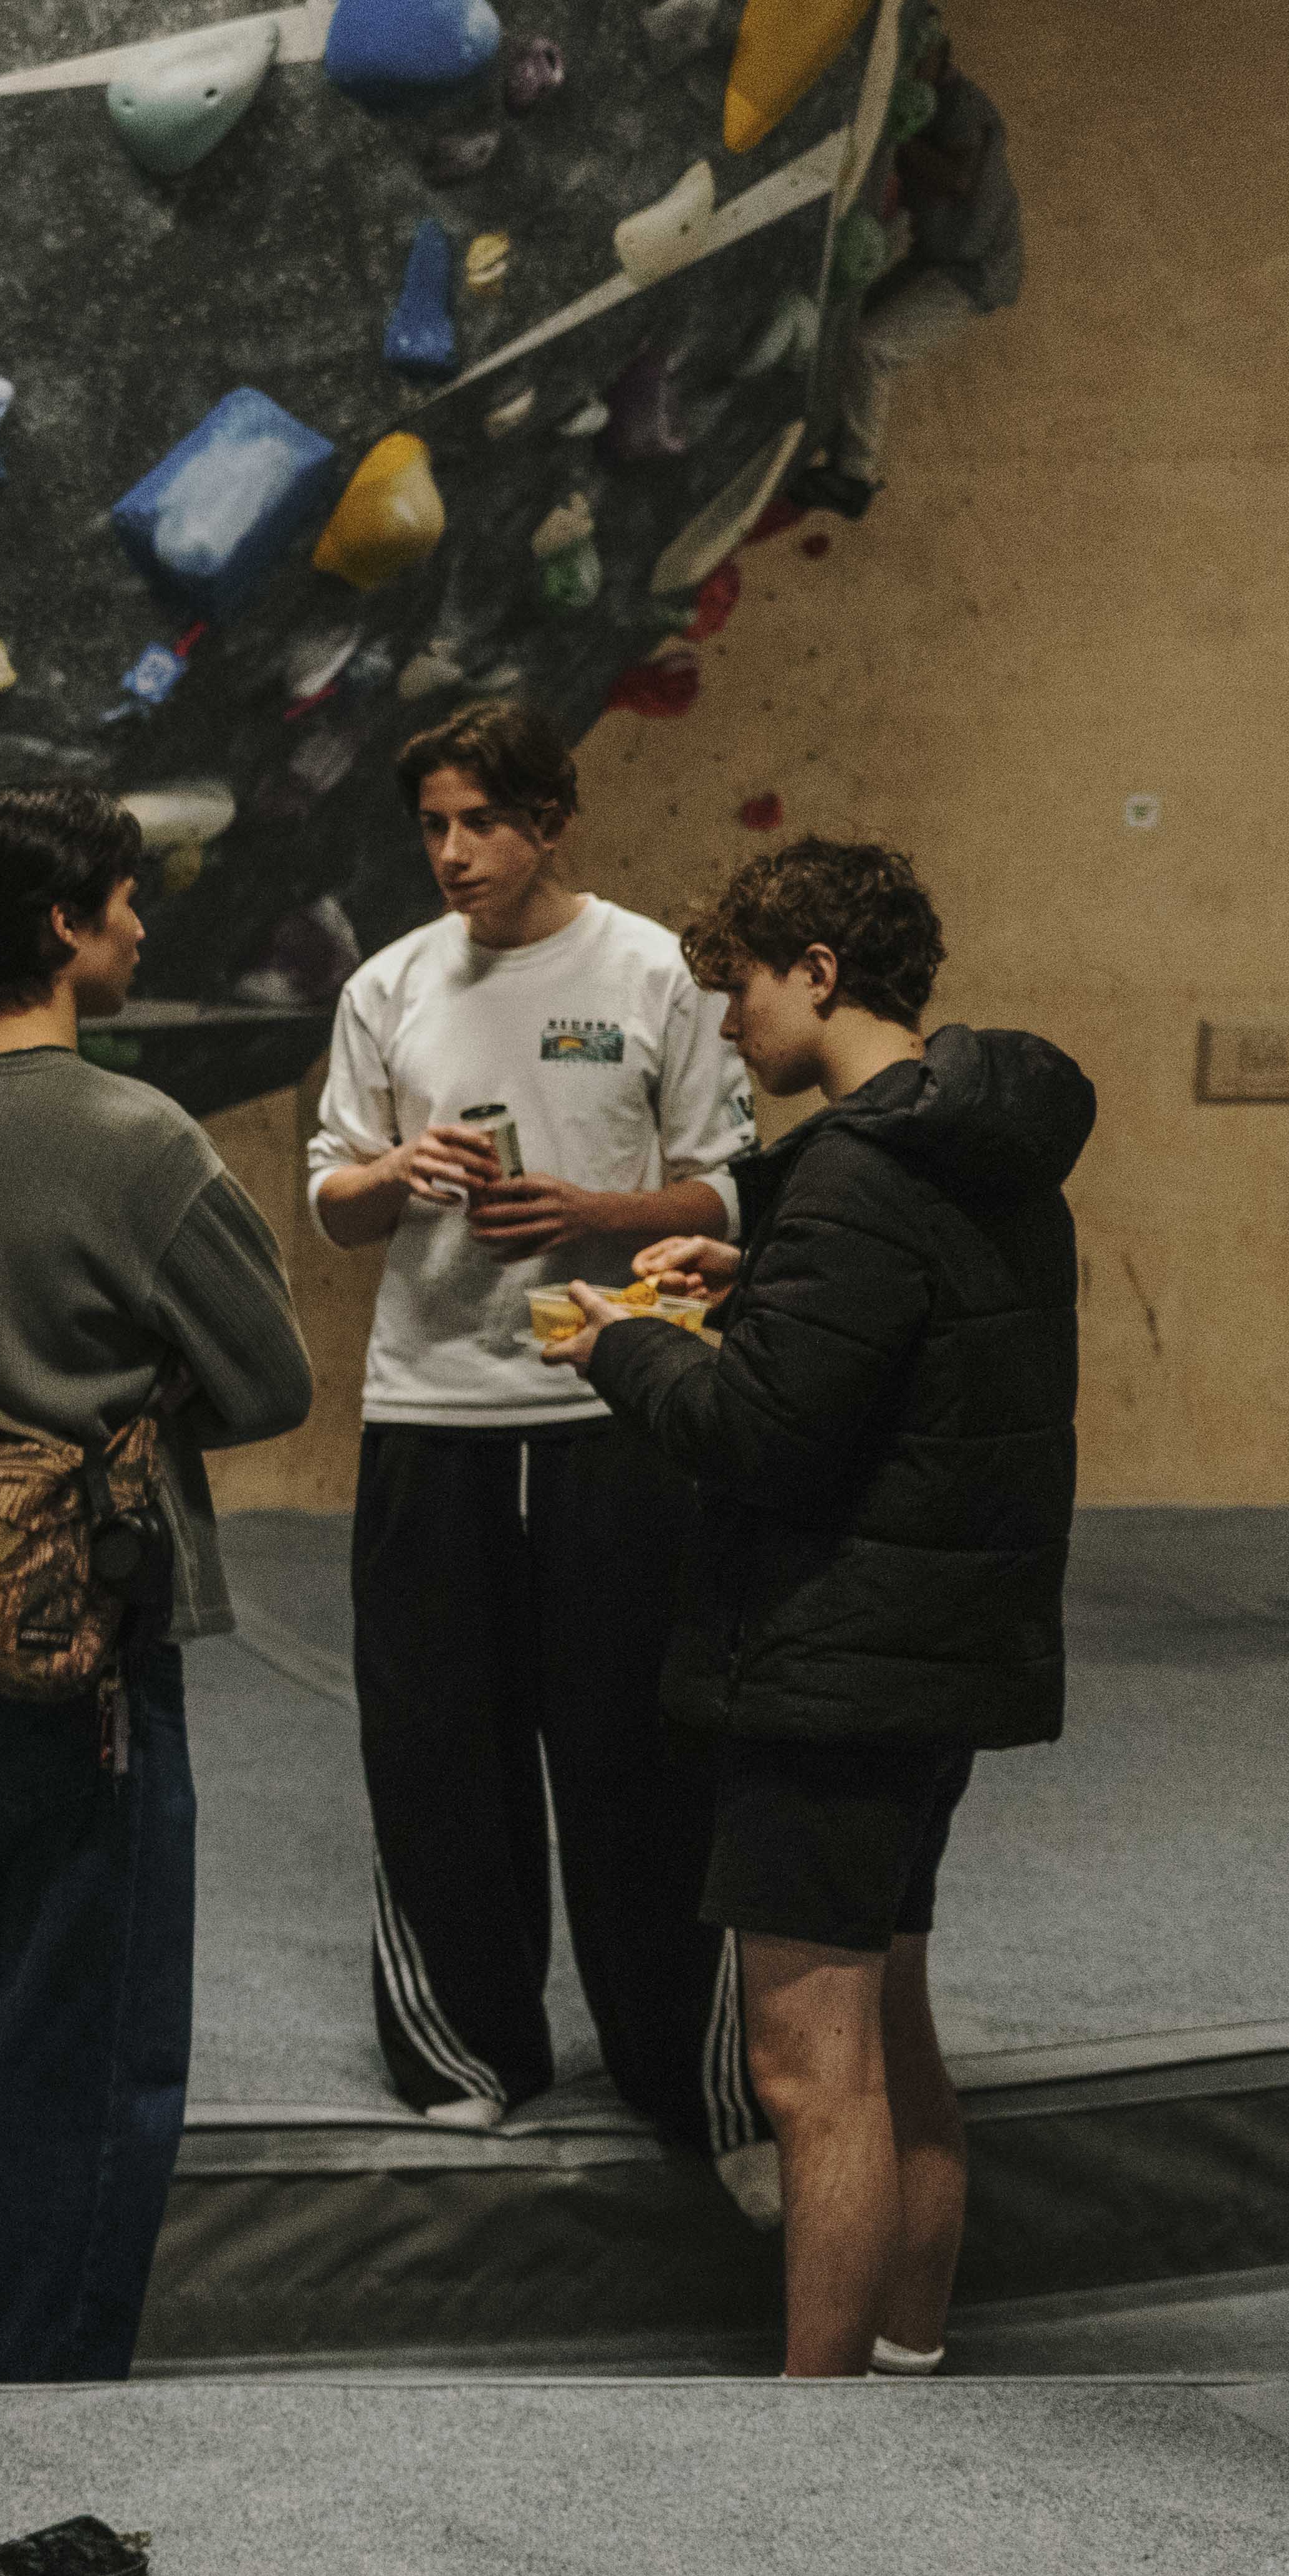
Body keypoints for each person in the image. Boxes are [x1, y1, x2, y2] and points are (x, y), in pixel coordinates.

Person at [552, 837, 1086, 2375]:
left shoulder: (857, 1166)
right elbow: (896, 1337)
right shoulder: (977, 1145)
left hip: (836, 1663)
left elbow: (760, 1437)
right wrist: (756, 1269)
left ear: (820, 974)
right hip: (933, 1658)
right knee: (896, 2035)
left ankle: (818, 2425)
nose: (727, 1025)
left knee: (810, 2074)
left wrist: (621, 1348)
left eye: (739, 989)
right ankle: (908, 2359)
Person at [0, 788, 314, 2383]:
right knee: (86, 2025)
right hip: (82, 1630)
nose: (139, 922)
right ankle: (33, 2380)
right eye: (124, 898)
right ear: (61, 924)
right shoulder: (135, 1134)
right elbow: (271, 1381)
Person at [301, 702, 757, 2138]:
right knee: (437, 1743)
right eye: (432, 824)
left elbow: (733, 1188)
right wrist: (393, 1172)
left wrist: (596, 1212)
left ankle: (673, 2062)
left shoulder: (651, 972)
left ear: (550, 821)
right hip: (430, 1409)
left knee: (638, 1752)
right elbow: (327, 1198)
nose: (454, 852)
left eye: (481, 822)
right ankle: (466, 2051)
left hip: (615, 1409)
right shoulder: (387, 987)